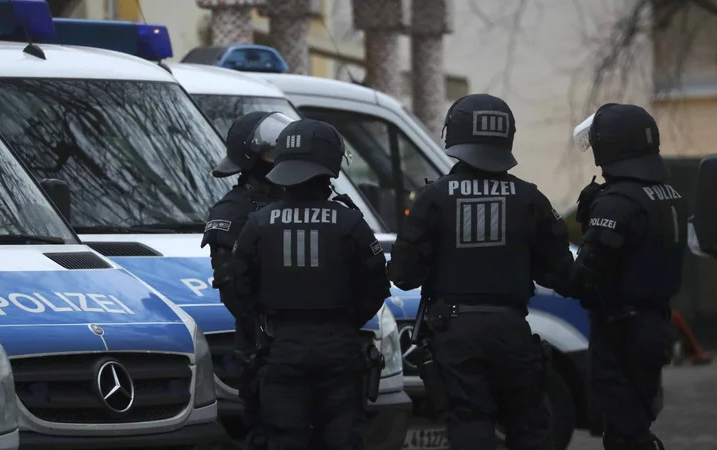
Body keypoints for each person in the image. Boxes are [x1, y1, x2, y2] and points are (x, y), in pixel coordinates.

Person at [388, 94, 576, 450]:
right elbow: (562, 275)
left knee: (469, 423)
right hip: (512, 331)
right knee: (529, 426)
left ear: (453, 136)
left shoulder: (433, 199)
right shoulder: (530, 199)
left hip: (455, 334)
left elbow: (403, 275)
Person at [228, 118, 391, 449]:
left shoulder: (259, 223)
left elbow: (236, 287)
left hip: (281, 348)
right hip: (339, 347)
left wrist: (263, 321)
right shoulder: (349, 221)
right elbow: (376, 284)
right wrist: (345, 322)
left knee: (285, 437)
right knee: (342, 436)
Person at [573, 103, 685, 450]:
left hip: (620, 332)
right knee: (637, 418)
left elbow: (586, 275)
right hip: (655, 325)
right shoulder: (670, 195)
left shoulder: (618, 202)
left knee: (624, 432)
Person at [202, 111, 295, 449]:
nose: (282, 158)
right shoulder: (233, 212)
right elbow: (234, 291)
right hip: (267, 348)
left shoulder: (306, 200)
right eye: (274, 152)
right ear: (251, 159)